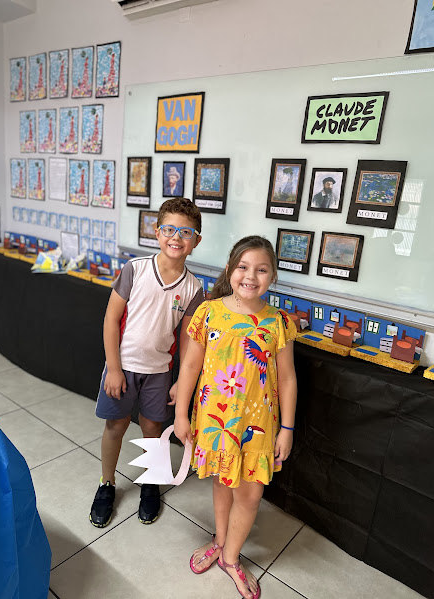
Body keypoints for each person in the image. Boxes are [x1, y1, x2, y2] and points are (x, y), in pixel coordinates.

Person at [174, 235, 298, 599]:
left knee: (250, 495)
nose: (251, 276)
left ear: (272, 277)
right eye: (243, 267)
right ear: (230, 270)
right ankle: (220, 539)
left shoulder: (278, 322)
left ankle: (230, 557)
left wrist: (287, 429)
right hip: (215, 421)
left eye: (261, 270)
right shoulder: (208, 312)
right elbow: (190, 366)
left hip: (258, 427)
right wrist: (181, 414)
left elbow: (287, 379)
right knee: (221, 482)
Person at [90, 197, 204, 528]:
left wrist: (181, 381)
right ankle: (107, 483)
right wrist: (113, 368)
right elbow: (111, 320)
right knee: (116, 425)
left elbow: (187, 341)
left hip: (159, 372)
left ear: (196, 241)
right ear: (157, 232)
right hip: (123, 366)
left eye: (186, 232)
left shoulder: (194, 288)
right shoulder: (136, 269)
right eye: (169, 229)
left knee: (153, 429)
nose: (176, 237)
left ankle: (151, 482)